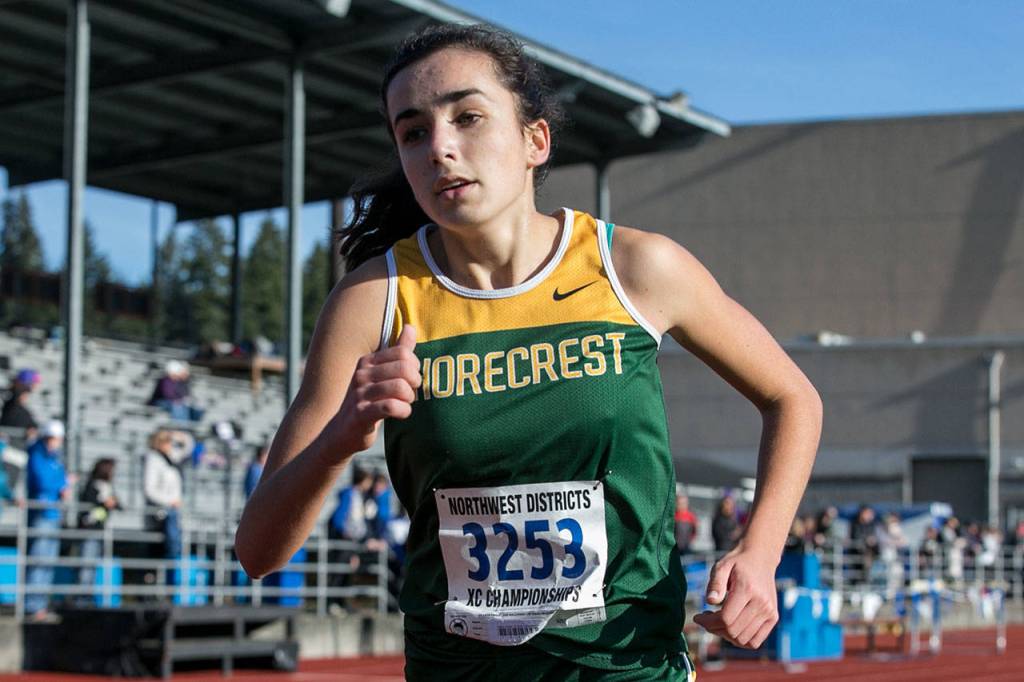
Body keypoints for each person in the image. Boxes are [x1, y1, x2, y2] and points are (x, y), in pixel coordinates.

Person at [236, 24, 821, 680]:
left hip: (627, 669)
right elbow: (257, 550)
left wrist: (761, 552)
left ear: (534, 140)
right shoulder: (375, 299)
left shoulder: (633, 268)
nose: (441, 148)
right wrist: (344, 432)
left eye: (469, 117)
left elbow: (791, 396)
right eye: (413, 132)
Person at [25, 420, 72, 618]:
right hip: (42, 513)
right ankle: (33, 605)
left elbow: (58, 478)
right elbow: (43, 481)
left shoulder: (53, 458)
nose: (56, 443)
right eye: (54, 438)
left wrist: (63, 483)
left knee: (48, 562)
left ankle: (40, 605)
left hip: (53, 514)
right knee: (39, 560)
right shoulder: (37, 455)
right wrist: (63, 484)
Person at [76, 457, 120, 597]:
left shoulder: (107, 487)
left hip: (100, 530)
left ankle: (88, 596)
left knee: (93, 567)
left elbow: (119, 505)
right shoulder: (92, 486)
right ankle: (82, 598)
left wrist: (113, 503)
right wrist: (104, 505)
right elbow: (88, 509)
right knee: (86, 567)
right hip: (90, 530)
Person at [143, 429, 184, 560]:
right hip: (160, 513)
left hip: (172, 511)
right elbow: (149, 490)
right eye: (168, 442)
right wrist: (170, 501)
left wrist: (177, 436)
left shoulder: (170, 459)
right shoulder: (153, 460)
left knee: (172, 549)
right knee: (161, 551)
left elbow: (188, 447)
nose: (171, 445)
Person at [0, 368, 41, 441]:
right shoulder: (8, 399)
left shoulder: (22, 409)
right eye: (26, 389)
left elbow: (30, 422)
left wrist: (32, 427)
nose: (26, 395)